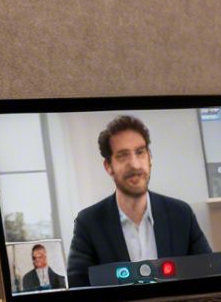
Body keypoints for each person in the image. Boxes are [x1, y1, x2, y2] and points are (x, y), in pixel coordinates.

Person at [66, 115, 212, 285]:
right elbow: (78, 287)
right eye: (123, 155)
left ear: (149, 158)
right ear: (108, 166)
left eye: (140, 152)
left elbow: (208, 273)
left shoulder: (181, 214)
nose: (135, 164)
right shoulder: (89, 223)